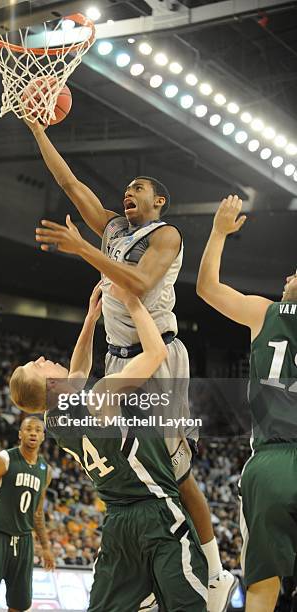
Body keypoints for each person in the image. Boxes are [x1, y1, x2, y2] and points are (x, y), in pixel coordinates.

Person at [24, 118, 235, 611]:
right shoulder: (114, 228)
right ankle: (140, 577)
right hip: (120, 358)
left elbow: (139, 285)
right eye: (125, 190)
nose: (127, 194)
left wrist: (81, 249)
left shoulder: (167, 236)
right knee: (130, 465)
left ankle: (215, 568)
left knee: (173, 470)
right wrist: (38, 132)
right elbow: (69, 182)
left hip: (157, 353)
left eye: (137, 189)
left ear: (159, 201)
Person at [10, 282, 208, 612]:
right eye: (38, 365)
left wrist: (91, 320)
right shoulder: (101, 397)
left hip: (116, 520)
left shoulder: (55, 421)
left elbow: (77, 371)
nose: (43, 358)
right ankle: (213, 573)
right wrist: (132, 303)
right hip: (155, 509)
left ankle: (143, 594)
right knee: (189, 603)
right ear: (51, 384)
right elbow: (156, 352)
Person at [196, 194, 297, 612]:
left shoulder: (264, 311)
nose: (287, 276)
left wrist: (218, 232)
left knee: (263, 585)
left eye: (293, 274)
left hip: (273, 461)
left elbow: (206, 287)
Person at [0, 417, 55, 612]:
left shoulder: (46, 470)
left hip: (25, 542)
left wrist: (46, 547)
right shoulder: (3, 459)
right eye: (28, 429)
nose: (33, 433)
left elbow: (38, 512)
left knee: (20, 605)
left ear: (43, 436)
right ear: (20, 434)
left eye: (37, 430)